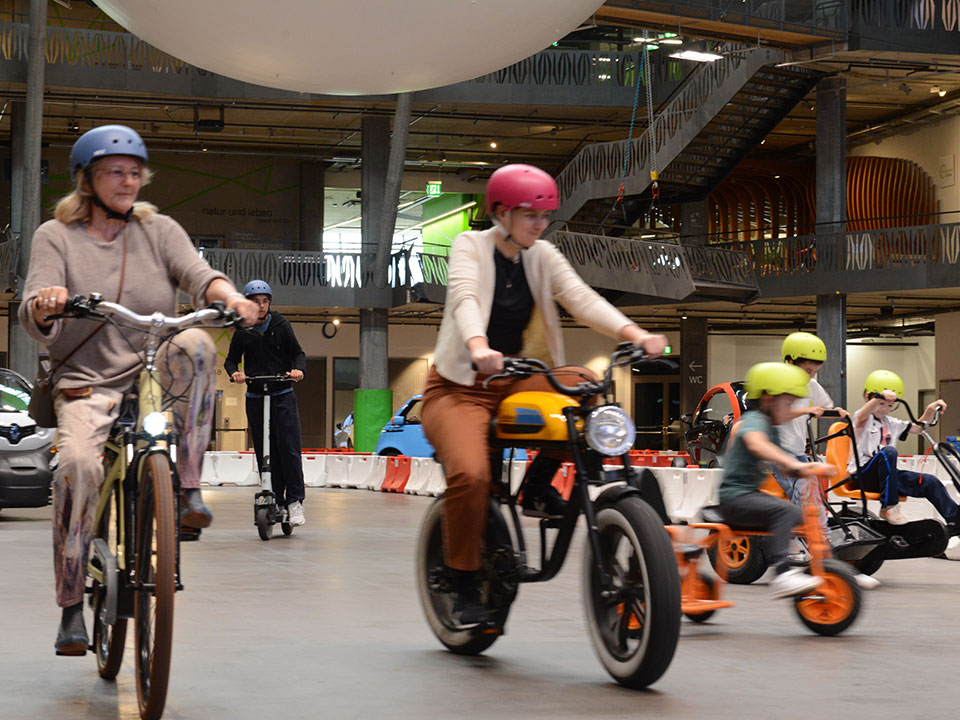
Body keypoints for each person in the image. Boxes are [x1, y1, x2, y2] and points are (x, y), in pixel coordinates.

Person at [19, 124, 258, 656]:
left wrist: (231, 296)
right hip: (88, 381)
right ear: (86, 180)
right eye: (113, 172)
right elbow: (32, 303)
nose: (127, 182)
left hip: (154, 367)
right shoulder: (54, 236)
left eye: (133, 173)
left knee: (197, 343)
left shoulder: (159, 229)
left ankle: (189, 490)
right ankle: (70, 606)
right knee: (78, 466)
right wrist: (46, 302)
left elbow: (199, 276)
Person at [420, 163, 667, 626]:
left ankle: (536, 488)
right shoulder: (468, 246)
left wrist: (634, 332)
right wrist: (477, 344)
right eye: (529, 215)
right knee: (472, 476)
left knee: (587, 389)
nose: (540, 224)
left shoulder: (543, 255)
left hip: (519, 376)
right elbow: (465, 296)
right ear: (500, 212)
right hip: (459, 388)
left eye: (544, 216)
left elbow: (581, 298)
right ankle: (462, 579)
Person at [771, 332, 879, 590]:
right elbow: (775, 415)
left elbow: (823, 406)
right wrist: (806, 410)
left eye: (815, 370)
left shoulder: (811, 386)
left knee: (817, 490)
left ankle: (830, 559)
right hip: (775, 453)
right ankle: (818, 555)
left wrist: (837, 412)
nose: (811, 375)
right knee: (807, 490)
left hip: (798, 452)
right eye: (807, 369)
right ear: (789, 361)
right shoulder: (775, 382)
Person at [717, 362, 832, 599]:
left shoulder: (773, 428)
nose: (791, 409)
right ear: (769, 399)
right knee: (786, 512)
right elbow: (756, 444)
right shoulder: (755, 421)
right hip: (734, 499)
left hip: (749, 496)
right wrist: (794, 464)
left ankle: (825, 568)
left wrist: (809, 468)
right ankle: (782, 574)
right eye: (788, 403)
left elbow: (785, 469)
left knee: (804, 516)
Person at [224, 280, 307, 527]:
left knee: (289, 448)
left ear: (269, 303)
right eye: (256, 302)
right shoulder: (242, 330)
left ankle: (294, 502)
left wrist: (298, 370)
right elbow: (230, 361)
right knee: (265, 452)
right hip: (256, 397)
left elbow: (298, 354)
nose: (261, 306)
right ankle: (275, 498)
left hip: (282, 394)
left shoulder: (281, 325)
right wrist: (235, 373)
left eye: (265, 301)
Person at [850, 370, 958, 528]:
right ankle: (889, 507)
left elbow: (917, 428)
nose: (884, 409)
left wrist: (930, 409)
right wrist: (880, 396)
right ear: (868, 397)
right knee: (889, 452)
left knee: (930, 482)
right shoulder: (862, 419)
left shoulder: (891, 422)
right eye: (881, 403)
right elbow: (862, 415)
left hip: (886, 477)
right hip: (863, 475)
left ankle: (955, 517)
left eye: (889, 405)